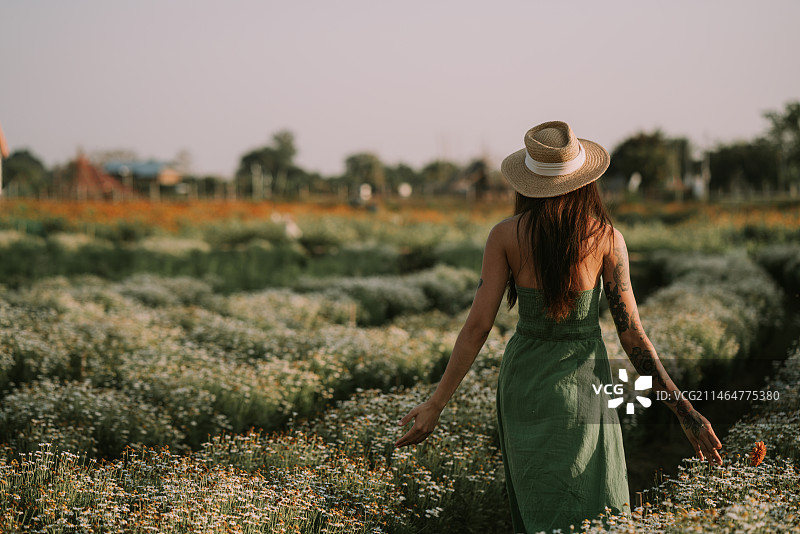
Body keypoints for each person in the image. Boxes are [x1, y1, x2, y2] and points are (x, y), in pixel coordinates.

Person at [394, 121, 723, 533]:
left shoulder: (505, 236)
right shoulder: (606, 239)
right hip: (585, 384)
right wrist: (685, 411)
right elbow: (633, 335)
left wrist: (436, 404)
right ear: (585, 180)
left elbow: (477, 327)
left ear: (527, 183)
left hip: (523, 386)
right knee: (595, 504)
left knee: (540, 504)